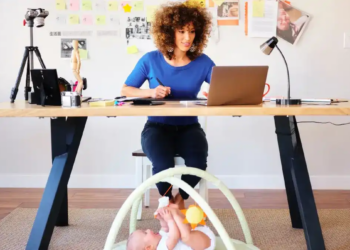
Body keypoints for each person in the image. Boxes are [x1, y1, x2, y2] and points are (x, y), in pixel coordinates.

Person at [121, 2, 215, 209]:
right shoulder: (150, 60)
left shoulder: (203, 62)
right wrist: (150, 92)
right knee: (163, 165)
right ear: (168, 32)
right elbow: (126, 90)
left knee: (199, 164)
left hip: (189, 127)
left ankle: (178, 200)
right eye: (181, 31)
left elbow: (223, 87)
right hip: (156, 128)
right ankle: (166, 200)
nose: (187, 37)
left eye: (192, 31)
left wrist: (215, 93)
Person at [126, 204, 216, 250]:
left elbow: (165, 228)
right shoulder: (161, 248)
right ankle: (176, 212)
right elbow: (174, 236)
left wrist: (162, 219)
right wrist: (169, 219)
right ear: (149, 247)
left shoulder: (159, 238)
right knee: (184, 236)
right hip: (203, 246)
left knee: (184, 233)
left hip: (200, 239)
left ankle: (176, 212)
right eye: (145, 233)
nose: (148, 229)